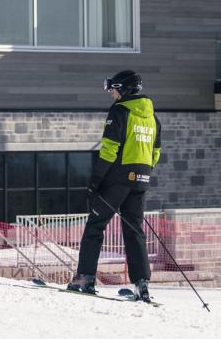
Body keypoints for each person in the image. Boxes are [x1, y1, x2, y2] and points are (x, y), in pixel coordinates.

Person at [68, 70, 161, 302]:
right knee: (135, 231)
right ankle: (142, 284)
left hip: (118, 180)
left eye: (115, 90)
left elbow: (109, 149)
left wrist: (95, 182)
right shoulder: (153, 117)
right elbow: (156, 153)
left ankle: (84, 278)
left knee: (95, 226)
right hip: (141, 180)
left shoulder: (120, 111)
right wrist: (143, 172)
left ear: (125, 90)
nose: (113, 95)